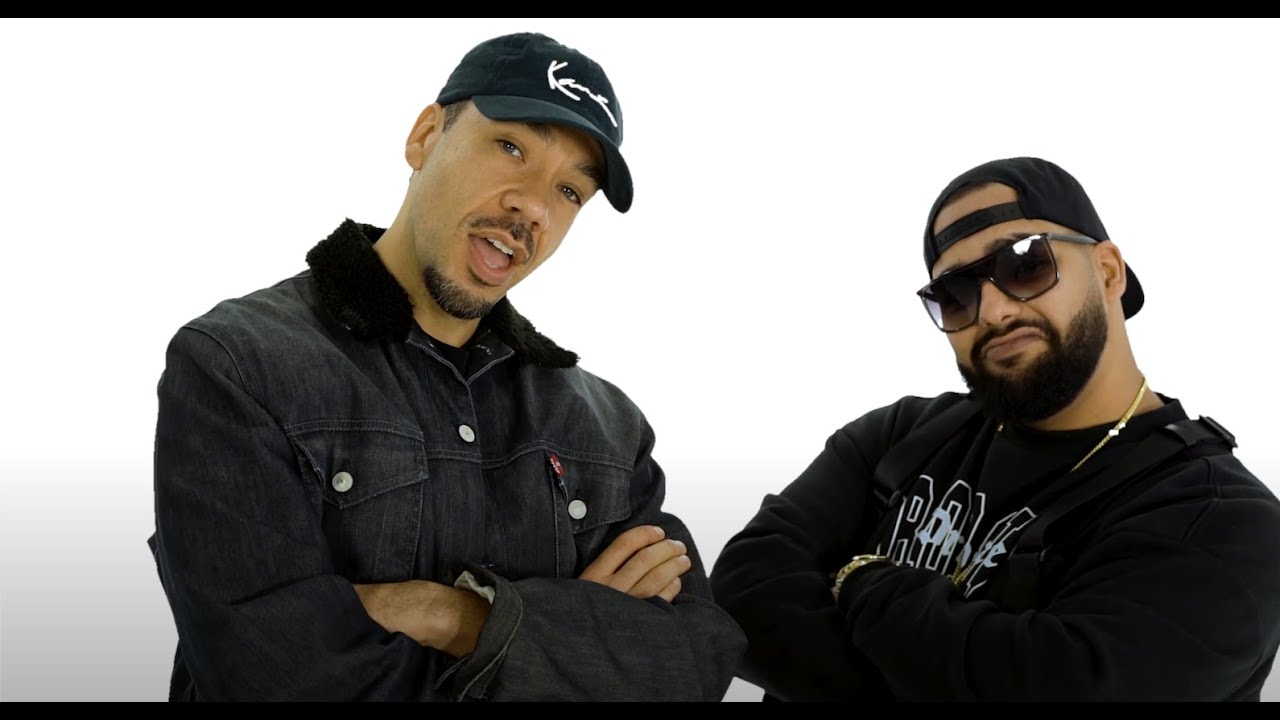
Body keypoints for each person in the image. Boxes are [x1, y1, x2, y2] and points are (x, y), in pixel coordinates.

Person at [146, 31, 745, 702]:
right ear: (425, 136)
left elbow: (694, 663)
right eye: (511, 147)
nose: (533, 207)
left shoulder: (606, 429)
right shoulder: (239, 366)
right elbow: (274, 680)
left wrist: (453, 615)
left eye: (571, 191)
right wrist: (573, 647)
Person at [708, 156, 1280, 702]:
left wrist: (858, 579)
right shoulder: (899, 436)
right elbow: (742, 591)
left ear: (1108, 271)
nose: (993, 311)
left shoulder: (1222, 520)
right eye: (955, 294)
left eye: (1025, 263)